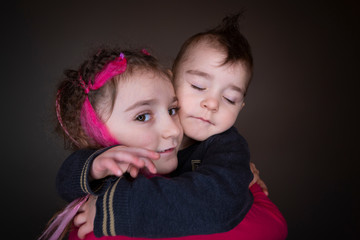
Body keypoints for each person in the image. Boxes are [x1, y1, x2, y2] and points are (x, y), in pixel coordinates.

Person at [57, 13, 287, 240]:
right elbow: (66, 181)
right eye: (198, 86)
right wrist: (94, 166)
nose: (212, 104)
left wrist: (117, 209)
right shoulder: (131, 142)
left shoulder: (229, 147)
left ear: (241, 106)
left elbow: (214, 204)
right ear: (171, 80)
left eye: (230, 99)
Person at [39, 48, 184, 240]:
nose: (173, 130)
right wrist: (92, 167)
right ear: (94, 131)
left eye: (173, 110)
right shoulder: (103, 220)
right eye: (143, 116)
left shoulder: (200, 161)